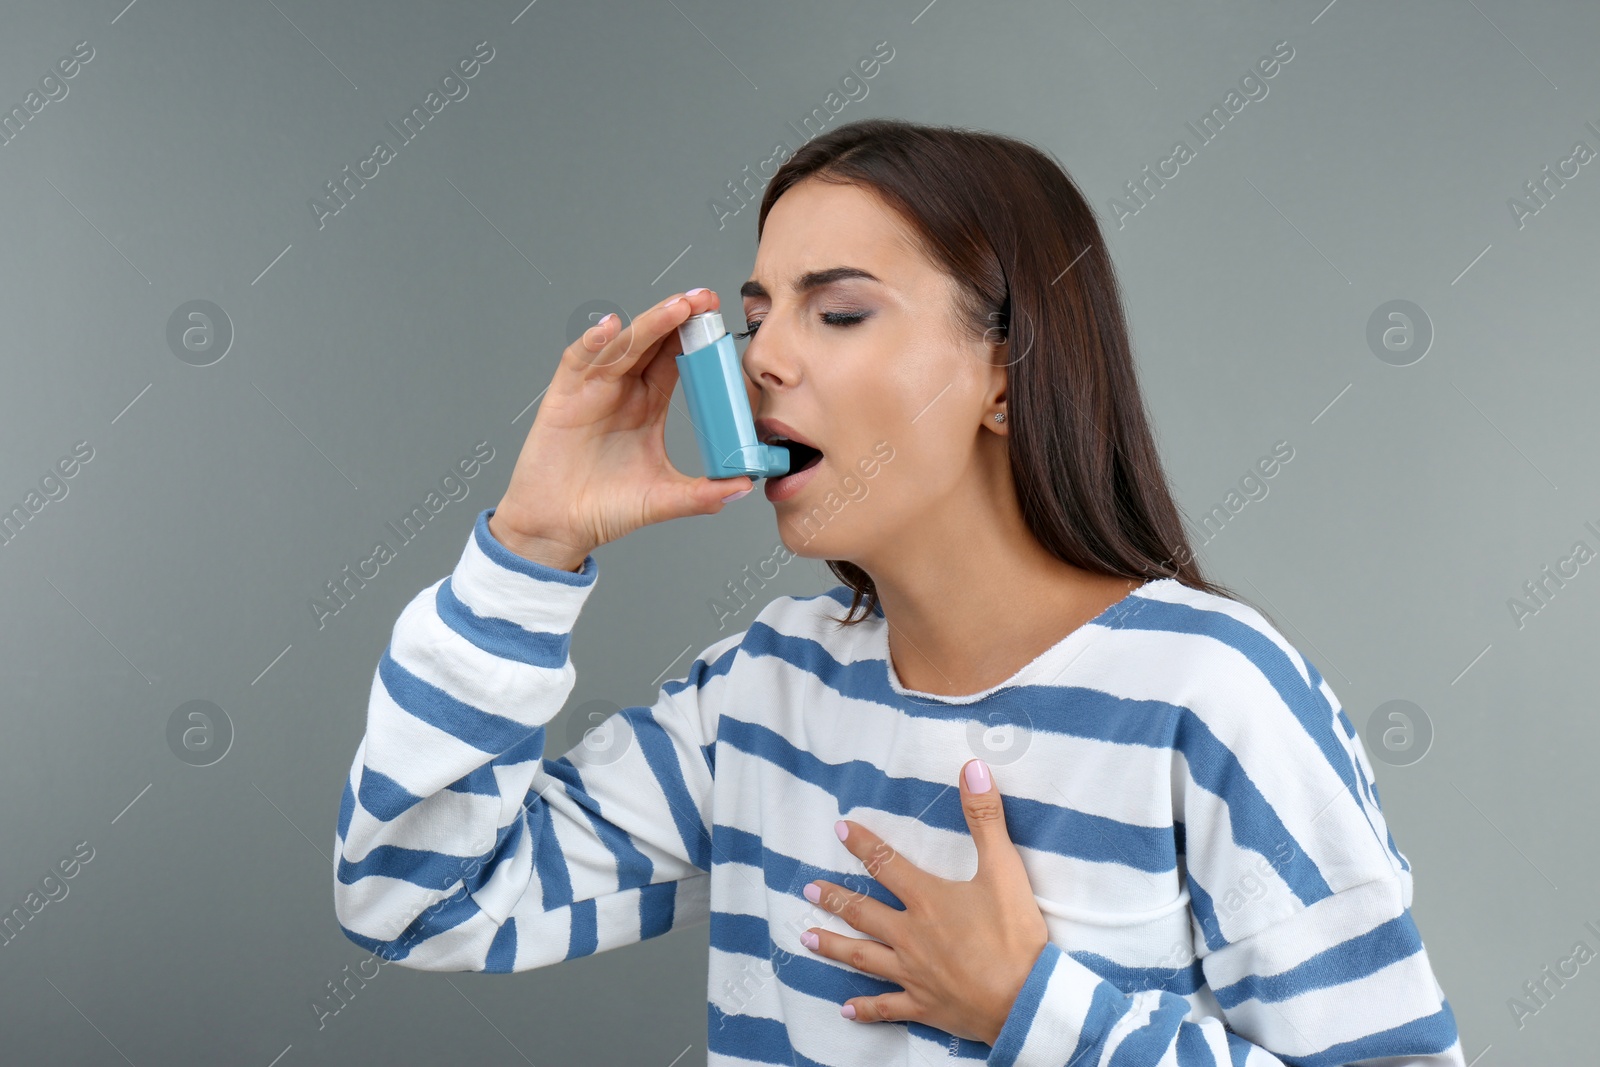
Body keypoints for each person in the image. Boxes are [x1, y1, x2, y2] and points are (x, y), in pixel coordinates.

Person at [332, 118, 1465, 1065]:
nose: (761, 357)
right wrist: (528, 549)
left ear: (1005, 375)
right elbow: (420, 897)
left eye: (838, 310)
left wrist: (1037, 1009)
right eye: (759, 311)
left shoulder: (1210, 697)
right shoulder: (764, 693)